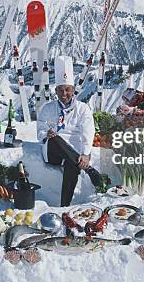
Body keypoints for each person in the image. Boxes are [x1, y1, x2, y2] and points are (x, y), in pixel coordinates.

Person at [37, 55, 103, 206]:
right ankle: (88, 169)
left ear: (73, 90)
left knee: (73, 163)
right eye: (60, 90)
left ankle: (64, 206)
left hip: (75, 154)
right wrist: (46, 133)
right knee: (54, 138)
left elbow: (88, 131)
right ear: (56, 91)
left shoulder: (83, 109)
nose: (64, 94)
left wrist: (85, 154)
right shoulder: (47, 108)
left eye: (67, 90)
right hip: (53, 152)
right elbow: (40, 127)